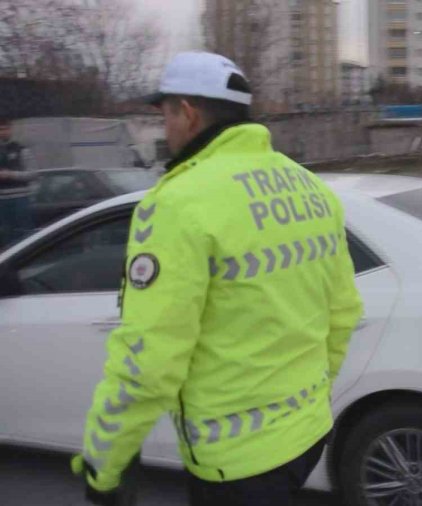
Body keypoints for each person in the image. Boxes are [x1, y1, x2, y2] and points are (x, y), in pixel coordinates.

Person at [70, 52, 364, 506]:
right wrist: (309, 400)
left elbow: (147, 360)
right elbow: (343, 313)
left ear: (186, 112)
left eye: (165, 114)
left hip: (235, 462)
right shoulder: (309, 187)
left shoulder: (178, 204)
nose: (164, 128)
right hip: (307, 433)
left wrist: (103, 465)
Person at [0, 120, 34, 248]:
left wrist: (10, 174)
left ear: (11, 130)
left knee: (25, 233)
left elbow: (33, 174)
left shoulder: (21, 150)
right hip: (1, 200)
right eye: (0, 129)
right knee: (6, 234)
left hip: (20, 198)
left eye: (5, 129)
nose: (2, 132)